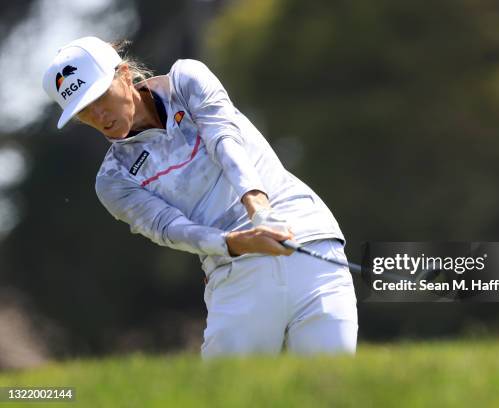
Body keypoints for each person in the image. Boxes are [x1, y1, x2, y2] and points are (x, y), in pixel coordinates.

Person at [42, 36, 358, 356]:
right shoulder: (113, 180)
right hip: (235, 274)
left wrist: (260, 210)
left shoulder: (186, 80)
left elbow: (225, 141)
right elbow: (170, 229)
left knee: (333, 386)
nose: (98, 114)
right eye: (82, 110)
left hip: (307, 235)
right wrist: (235, 242)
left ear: (123, 74)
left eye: (100, 96)